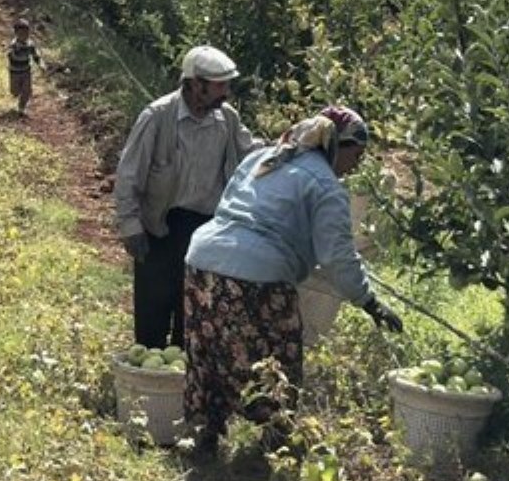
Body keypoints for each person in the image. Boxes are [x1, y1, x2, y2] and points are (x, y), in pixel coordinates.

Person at [182, 105, 404, 454]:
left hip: (202, 262)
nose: (357, 165)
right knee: (276, 358)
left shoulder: (264, 158)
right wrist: (371, 304)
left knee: (210, 351)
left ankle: (204, 436)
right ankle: (274, 445)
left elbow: (233, 207)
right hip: (257, 276)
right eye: (357, 155)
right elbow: (338, 257)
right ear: (339, 147)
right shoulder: (327, 186)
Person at [113, 45, 257, 351]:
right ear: (194, 84)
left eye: (227, 84)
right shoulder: (157, 117)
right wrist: (131, 227)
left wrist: (290, 148)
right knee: (153, 311)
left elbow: (251, 153)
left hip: (206, 230)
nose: (226, 92)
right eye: (219, 85)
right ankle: (150, 383)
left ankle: (182, 382)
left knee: (193, 313)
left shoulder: (226, 119)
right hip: (161, 227)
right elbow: (129, 175)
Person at [7, 17, 45, 115]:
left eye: (26, 33)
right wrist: (15, 51)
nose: (24, 36)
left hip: (26, 71)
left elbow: (35, 55)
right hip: (14, 72)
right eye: (21, 34)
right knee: (14, 91)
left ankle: (21, 108)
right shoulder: (14, 45)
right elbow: (10, 55)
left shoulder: (30, 44)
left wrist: (41, 64)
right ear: (16, 34)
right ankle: (17, 95)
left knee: (27, 91)